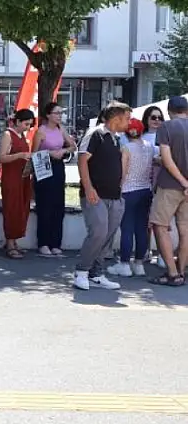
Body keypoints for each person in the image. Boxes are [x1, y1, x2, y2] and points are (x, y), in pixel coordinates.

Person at [74, 102, 131, 291]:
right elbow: (82, 160)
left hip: (114, 195)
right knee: (97, 232)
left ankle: (96, 273)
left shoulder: (117, 138)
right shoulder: (95, 134)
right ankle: (81, 272)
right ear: (116, 118)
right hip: (95, 195)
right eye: (127, 118)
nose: (129, 122)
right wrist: (89, 188)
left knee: (107, 236)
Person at [148, 95, 188, 286]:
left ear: (170, 111)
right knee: (185, 230)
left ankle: (172, 274)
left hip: (170, 185)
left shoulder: (167, 127)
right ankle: (181, 269)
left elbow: (166, 157)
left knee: (159, 225)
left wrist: (182, 180)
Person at [109, 118, 154, 278]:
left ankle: (125, 264)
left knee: (127, 228)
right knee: (141, 228)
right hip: (145, 190)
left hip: (128, 191)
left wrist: (118, 188)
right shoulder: (149, 147)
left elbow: (123, 171)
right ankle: (139, 263)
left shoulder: (126, 148)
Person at [31, 101, 76, 257]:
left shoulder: (60, 129)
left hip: (58, 166)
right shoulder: (41, 131)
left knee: (58, 205)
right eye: (56, 113)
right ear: (48, 115)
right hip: (44, 167)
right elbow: (34, 153)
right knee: (45, 206)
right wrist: (49, 153)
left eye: (60, 113)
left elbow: (73, 146)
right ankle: (43, 242)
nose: (59, 116)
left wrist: (63, 150)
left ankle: (56, 243)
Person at [0, 109, 35, 259]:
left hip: (23, 177)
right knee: (11, 208)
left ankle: (14, 241)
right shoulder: (8, 135)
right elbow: (1, 157)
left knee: (21, 208)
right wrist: (20, 155)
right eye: (26, 124)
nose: (28, 127)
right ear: (18, 121)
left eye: (30, 125)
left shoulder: (22, 136)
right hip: (11, 178)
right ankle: (10, 242)